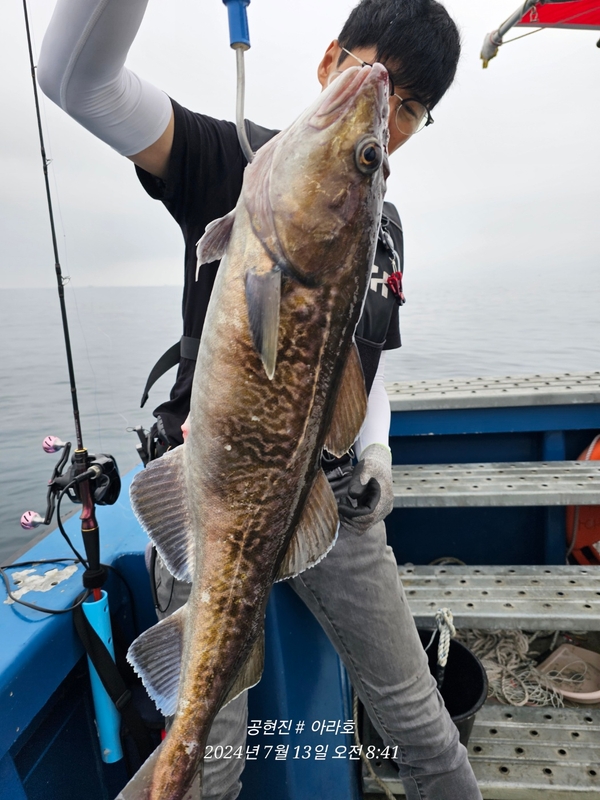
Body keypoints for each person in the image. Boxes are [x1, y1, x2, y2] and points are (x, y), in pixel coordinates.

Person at [38, 1, 482, 799]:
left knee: (422, 728)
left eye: (409, 110)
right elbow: (77, 80)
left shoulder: (380, 225)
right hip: (210, 494)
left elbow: (365, 365)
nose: (385, 106)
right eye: (365, 74)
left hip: (330, 502)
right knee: (208, 762)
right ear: (326, 61)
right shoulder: (225, 159)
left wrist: (375, 445)